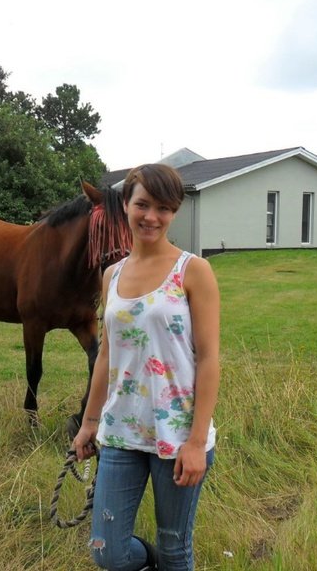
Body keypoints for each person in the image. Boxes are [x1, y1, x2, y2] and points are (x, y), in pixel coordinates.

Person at [73, 163, 221, 571]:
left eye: (163, 208)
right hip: (121, 429)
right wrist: (89, 423)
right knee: (108, 552)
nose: (151, 217)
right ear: (126, 205)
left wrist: (195, 443)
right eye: (142, 204)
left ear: (174, 213)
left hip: (177, 433)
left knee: (175, 547)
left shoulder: (193, 271)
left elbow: (209, 358)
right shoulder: (111, 275)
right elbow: (107, 353)